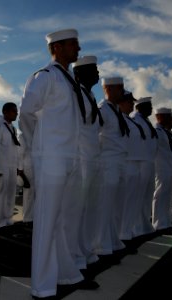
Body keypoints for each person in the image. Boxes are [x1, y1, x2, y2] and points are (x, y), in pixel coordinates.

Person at [19, 28, 99, 299]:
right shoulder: (45, 77)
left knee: (65, 220)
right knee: (47, 221)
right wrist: (38, 147)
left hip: (71, 158)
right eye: (74, 45)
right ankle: (42, 287)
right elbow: (27, 114)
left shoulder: (71, 83)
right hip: (51, 157)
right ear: (58, 47)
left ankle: (66, 274)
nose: (78, 49)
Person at [72, 55, 103, 266]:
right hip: (80, 159)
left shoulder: (89, 95)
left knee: (90, 209)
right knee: (77, 210)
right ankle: (75, 256)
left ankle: (86, 250)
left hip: (93, 159)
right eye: (94, 70)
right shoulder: (75, 95)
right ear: (81, 74)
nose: (98, 74)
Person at [94, 76, 128, 260]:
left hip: (120, 162)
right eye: (119, 87)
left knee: (116, 207)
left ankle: (113, 241)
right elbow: (93, 134)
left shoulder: (115, 111)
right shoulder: (103, 110)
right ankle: (101, 245)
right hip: (107, 163)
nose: (122, 90)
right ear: (109, 89)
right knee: (105, 207)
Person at [118, 91, 146, 243]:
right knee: (125, 202)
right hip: (126, 163)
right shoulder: (120, 119)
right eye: (129, 102)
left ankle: (128, 232)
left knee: (132, 202)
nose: (132, 104)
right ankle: (122, 234)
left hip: (135, 163)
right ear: (121, 102)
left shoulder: (130, 120)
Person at [130, 97, 158, 237]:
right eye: (149, 106)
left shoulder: (145, 121)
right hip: (140, 161)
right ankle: (136, 228)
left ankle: (145, 226)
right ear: (140, 107)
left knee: (147, 196)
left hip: (148, 161)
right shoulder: (135, 119)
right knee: (138, 197)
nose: (152, 109)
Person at [0, 102, 20, 228]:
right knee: (2, 194)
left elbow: (15, 148)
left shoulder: (13, 128)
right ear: (6, 112)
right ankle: (0, 220)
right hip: (3, 166)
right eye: (14, 111)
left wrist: (18, 166)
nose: (16, 114)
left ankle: (8, 217)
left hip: (12, 165)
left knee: (11, 193)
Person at [152, 107, 172, 231]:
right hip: (161, 167)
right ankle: (158, 223)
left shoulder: (166, 132)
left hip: (169, 167)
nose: (171, 120)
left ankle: (166, 220)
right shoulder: (157, 132)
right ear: (160, 117)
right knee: (160, 194)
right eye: (168, 117)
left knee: (167, 194)